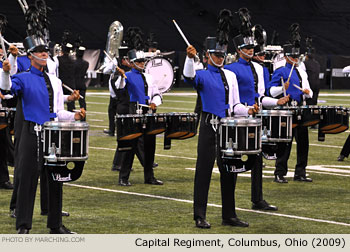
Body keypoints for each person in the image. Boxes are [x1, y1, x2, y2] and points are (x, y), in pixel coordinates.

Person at [0, 35, 85, 234]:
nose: (44, 53)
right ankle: (23, 226)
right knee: (28, 179)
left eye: (45, 50)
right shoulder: (22, 77)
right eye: (39, 51)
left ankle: (55, 225)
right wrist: (6, 70)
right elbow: (6, 88)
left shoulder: (55, 81)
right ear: (30, 56)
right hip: (31, 133)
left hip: (52, 134)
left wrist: (74, 116)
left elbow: (57, 112)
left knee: (56, 180)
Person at [184, 30, 262, 228]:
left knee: (230, 170)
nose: (220, 58)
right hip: (209, 126)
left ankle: (229, 215)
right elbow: (188, 76)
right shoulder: (201, 74)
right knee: (204, 170)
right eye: (216, 55)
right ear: (208, 55)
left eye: (222, 55)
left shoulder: (230, 75)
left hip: (228, 127)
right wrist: (189, 58)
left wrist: (248, 110)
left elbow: (235, 105)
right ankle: (199, 215)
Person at [224, 9, 287, 211]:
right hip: (237, 118)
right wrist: (244, 109)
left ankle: (258, 199)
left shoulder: (260, 69)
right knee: (233, 160)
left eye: (252, 47)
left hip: (255, 119)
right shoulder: (230, 69)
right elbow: (231, 97)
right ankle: (229, 205)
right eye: (246, 47)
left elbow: (260, 96)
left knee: (257, 157)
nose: (250, 50)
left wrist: (276, 103)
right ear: (239, 49)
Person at [114, 46, 163, 186]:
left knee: (149, 146)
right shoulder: (127, 75)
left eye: (143, 61)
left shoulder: (149, 76)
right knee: (130, 145)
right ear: (132, 62)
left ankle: (149, 177)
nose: (142, 63)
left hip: (148, 112)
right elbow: (119, 87)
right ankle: (123, 177)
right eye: (139, 61)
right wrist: (122, 77)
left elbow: (157, 94)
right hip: (133, 111)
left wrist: (154, 103)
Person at [267, 41, 313, 183]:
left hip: (300, 108)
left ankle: (300, 172)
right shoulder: (280, 71)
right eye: (293, 56)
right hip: (287, 110)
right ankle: (279, 173)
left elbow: (309, 91)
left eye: (297, 56)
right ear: (287, 57)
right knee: (285, 143)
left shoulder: (301, 72)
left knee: (303, 142)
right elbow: (270, 91)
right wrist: (282, 88)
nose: (296, 59)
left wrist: (307, 92)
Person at [74, 46, 89, 114]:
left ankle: (72, 118)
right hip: (82, 83)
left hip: (74, 84)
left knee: (71, 102)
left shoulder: (73, 63)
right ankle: (83, 117)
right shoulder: (86, 63)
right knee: (82, 102)